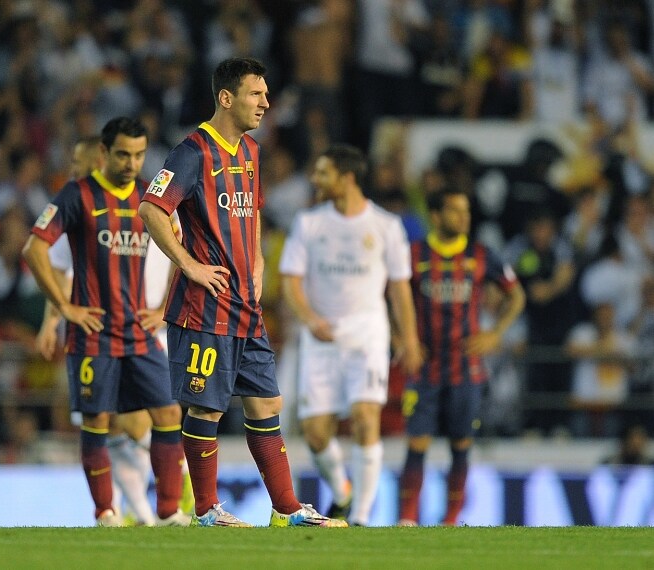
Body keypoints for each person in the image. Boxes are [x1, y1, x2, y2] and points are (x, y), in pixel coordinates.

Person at [139, 57, 347, 527]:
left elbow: (250, 215)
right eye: (257, 94)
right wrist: (189, 265)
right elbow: (151, 208)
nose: (266, 102)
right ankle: (207, 510)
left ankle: (287, 510)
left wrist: (255, 261)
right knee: (205, 406)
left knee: (267, 402)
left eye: (266, 93)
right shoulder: (191, 152)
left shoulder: (251, 152)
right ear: (226, 98)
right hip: (204, 304)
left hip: (245, 305)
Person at [22, 117, 189, 527]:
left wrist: (165, 305)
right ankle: (105, 512)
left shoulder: (150, 200)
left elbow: (180, 246)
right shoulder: (77, 195)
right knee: (98, 423)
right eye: (123, 154)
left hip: (138, 331)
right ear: (104, 153)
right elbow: (34, 250)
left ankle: (169, 512)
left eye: (138, 155)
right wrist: (65, 306)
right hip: (93, 334)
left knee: (168, 414)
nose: (132, 163)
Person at [279, 144, 422, 526]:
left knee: (364, 416)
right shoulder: (309, 223)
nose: (315, 179)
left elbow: (399, 289)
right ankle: (343, 492)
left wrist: (408, 338)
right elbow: (290, 281)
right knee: (315, 433)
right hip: (321, 336)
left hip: (367, 334)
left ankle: (360, 517)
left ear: (347, 177)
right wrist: (310, 320)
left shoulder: (386, 226)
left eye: (323, 173)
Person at [398, 187, 525, 526]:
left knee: (461, 444)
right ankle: (407, 518)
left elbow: (517, 296)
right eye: (455, 210)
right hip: (424, 366)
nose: (463, 217)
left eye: (466, 210)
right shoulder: (413, 254)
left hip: (466, 368)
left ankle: (451, 518)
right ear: (436, 216)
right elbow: (389, 296)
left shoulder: (483, 255)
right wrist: (403, 337)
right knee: (417, 442)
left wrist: (495, 333)